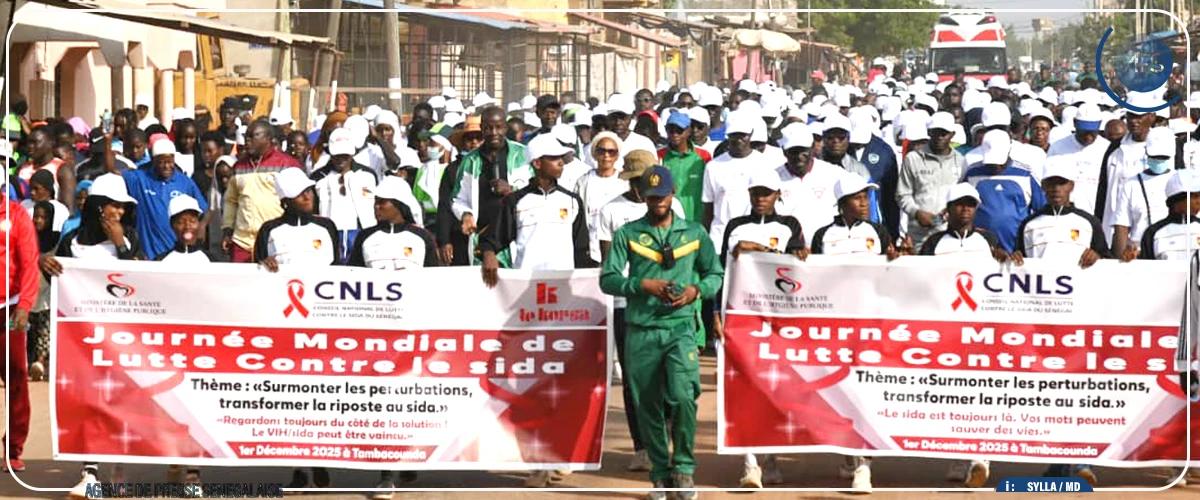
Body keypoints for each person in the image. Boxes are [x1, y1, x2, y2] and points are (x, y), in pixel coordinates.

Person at [600, 165, 724, 500]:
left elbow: (715, 274)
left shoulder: (694, 233)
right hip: (641, 329)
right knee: (647, 405)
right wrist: (642, 284)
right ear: (643, 196)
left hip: (681, 328)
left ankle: (683, 468)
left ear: (672, 195)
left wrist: (695, 292)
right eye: (652, 197)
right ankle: (660, 473)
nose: (658, 203)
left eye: (663, 196)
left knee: (684, 397)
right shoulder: (628, 234)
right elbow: (607, 278)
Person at [38, 173, 142, 497]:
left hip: (122, 338)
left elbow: (143, 278)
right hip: (85, 341)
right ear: (98, 208)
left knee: (119, 404)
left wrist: (121, 243)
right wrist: (46, 264)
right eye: (114, 207)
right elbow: (60, 280)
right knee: (89, 403)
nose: (119, 214)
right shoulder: (73, 242)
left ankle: (117, 468)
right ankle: (90, 471)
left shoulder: (131, 239)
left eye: (123, 208)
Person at [597, 151, 688, 476]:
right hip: (627, 306)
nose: (642, 189)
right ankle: (641, 447)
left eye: (646, 181)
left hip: (668, 304)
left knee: (670, 379)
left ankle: (663, 439)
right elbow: (610, 264)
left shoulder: (671, 205)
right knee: (636, 381)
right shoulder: (611, 210)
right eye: (636, 181)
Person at [719, 167, 806, 490]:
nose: (760, 199)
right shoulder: (735, 226)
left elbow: (796, 266)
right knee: (745, 389)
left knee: (776, 392)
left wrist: (758, 249)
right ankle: (750, 464)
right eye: (756, 193)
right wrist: (716, 312)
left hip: (780, 321)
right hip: (742, 316)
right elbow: (723, 270)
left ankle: (771, 458)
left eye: (766, 193)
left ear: (778, 195)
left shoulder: (790, 226)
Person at [450, 106, 530, 265]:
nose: (494, 132)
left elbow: (537, 192)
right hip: (482, 239)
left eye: (499, 127)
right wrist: (466, 215)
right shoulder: (470, 161)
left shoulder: (523, 154)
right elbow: (456, 199)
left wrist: (511, 191)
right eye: (488, 128)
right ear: (482, 129)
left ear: (505, 128)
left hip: (515, 238)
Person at [0, 174, 39, 473]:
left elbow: (30, 262)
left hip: (8, 309)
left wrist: (24, 306)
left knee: (16, 379)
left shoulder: (16, 214)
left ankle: (13, 447)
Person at [223, 119, 303, 263]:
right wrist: (228, 229)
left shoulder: (287, 164)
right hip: (243, 241)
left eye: (253, 136)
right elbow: (231, 201)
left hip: (276, 238)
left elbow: (300, 200)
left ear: (268, 139)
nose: (247, 141)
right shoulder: (238, 166)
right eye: (246, 137)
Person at [121, 138, 209, 260]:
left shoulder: (185, 182)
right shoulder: (140, 179)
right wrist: (108, 140)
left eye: (170, 162)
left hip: (176, 254)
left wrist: (202, 227)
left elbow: (205, 210)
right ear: (153, 161)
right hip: (149, 254)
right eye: (161, 162)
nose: (166, 166)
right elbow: (112, 171)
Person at [1014, 157, 1111, 267]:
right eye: (1051, 183)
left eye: (1061, 183)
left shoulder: (1090, 222)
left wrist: (1097, 257)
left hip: (1078, 283)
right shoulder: (1028, 224)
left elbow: (1107, 261)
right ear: (1043, 186)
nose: (1056, 188)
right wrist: (1015, 257)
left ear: (1071, 185)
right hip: (1041, 283)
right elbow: (1018, 262)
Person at [962, 130, 1047, 252]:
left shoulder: (1025, 174)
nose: (995, 166)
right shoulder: (972, 174)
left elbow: (1041, 209)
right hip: (980, 248)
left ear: (1008, 151)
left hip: (1017, 249)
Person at [897, 112, 967, 249]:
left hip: (950, 236)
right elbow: (902, 194)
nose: (939, 138)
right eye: (935, 133)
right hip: (919, 236)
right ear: (929, 132)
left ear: (952, 134)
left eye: (944, 133)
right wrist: (917, 213)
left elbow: (963, 197)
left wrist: (950, 213)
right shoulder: (913, 159)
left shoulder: (961, 161)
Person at [254, 167, 340, 274]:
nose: (307, 197)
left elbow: (338, 269)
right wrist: (264, 264)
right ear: (285, 201)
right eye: (299, 194)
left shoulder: (327, 226)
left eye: (308, 190)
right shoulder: (268, 229)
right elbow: (257, 271)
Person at [311, 128, 378, 262]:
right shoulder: (318, 177)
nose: (341, 159)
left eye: (345, 154)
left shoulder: (367, 175)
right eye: (337, 154)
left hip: (361, 232)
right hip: (330, 235)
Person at [1111, 127, 1176, 260]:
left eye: (1162, 157)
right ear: (1146, 152)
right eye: (1154, 156)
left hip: (1173, 254)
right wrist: (1119, 260)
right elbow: (1121, 226)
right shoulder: (1131, 184)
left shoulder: (1180, 181)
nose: (1158, 160)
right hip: (1140, 255)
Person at [773, 123, 844, 245]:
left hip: (827, 249)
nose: (799, 156)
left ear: (812, 148)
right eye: (793, 151)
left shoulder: (835, 174)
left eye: (803, 151)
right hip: (787, 253)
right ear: (784, 152)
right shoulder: (772, 178)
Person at [703, 111, 763, 251]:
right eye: (734, 135)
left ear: (751, 133)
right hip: (719, 242)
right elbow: (708, 208)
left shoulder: (764, 163)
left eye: (743, 135)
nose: (738, 140)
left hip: (754, 241)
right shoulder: (713, 166)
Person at [576, 133, 631, 263]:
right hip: (591, 250)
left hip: (620, 248)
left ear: (617, 155)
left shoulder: (624, 182)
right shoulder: (583, 182)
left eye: (611, 152)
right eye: (601, 151)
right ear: (594, 153)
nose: (606, 156)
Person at [919, 183, 1011, 262]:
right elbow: (919, 274)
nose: (965, 209)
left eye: (971, 204)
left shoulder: (989, 239)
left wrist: (1009, 259)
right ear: (948, 208)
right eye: (960, 204)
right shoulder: (933, 242)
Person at [1046, 103, 1108, 215]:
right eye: (1084, 131)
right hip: (1065, 214)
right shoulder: (1058, 148)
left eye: (1092, 132)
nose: (1088, 136)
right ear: (1074, 123)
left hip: (1097, 215)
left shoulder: (1107, 149)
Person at [1134, 168, 1200, 262]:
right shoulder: (1153, 233)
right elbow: (1146, 271)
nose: (1199, 202)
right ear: (1176, 200)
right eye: (1195, 197)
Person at [658, 111, 709, 223]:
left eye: (679, 130)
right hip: (668, 222)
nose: (675, 134)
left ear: (688, 131)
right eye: (671, 130)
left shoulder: (704, 156)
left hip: (696, 219)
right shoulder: (659, 156)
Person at [154, 195, 213, 263]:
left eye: (192, 221)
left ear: (198, 223)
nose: (187, 226)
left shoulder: (212, 261)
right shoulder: (160, 261)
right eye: (180, 222)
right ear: (172, 225)